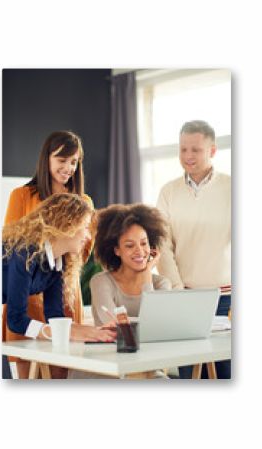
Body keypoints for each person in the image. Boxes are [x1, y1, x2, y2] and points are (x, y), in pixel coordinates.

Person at [2, 193, 116, 379]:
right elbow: (15, 320)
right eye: (86, 228)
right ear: (67, 224)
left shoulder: (58, 263)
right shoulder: (24, 252)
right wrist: (64, 333)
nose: (88, 237)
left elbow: (55, 318)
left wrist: (93, 332)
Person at [156, 120, 231, 379]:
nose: (188, 156)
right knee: (191, 376)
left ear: (212, 151)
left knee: (227, 374)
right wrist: (177, 290)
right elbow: (162, 245)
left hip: (228, 298)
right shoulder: (168, 192)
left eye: (195, 150)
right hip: (185, 299)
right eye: (183, 149)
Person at [4, 130, 93, 327]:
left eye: (74, 162)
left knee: (64, 344)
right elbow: (12, 245)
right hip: (26, 290)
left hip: (63, 284)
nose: (68, 168)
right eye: (62, 160)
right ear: (47, 159)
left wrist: (62, 261)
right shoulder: (22, 195)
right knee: (27, 345)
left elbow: (83, 251)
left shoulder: (84, 202)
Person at [91, 203, 171, 326]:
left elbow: (158, 325)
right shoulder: (101, 282)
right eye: (129, 245)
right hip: (111, 346)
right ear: (117, 250)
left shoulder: (161, 284)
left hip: (151, 346)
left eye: (144, 243)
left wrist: (147, 275)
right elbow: (114, 323)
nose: (139, 251)